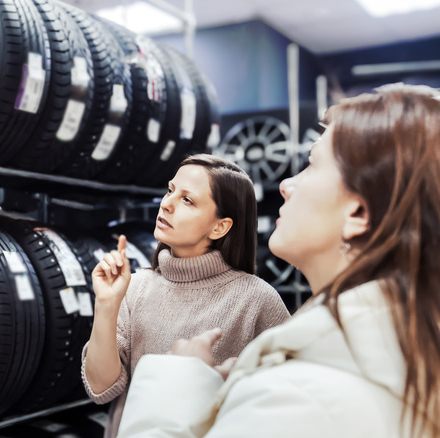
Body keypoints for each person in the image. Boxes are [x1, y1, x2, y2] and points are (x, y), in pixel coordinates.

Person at [118, 84, 440, 438]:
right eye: (170, 192)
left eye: (312, 165)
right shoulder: (401, 353)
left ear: (358, 212)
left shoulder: (302, 395)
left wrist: (181, 383)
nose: (286, 184)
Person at [82, 154, 290, 437]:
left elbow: (284, 406)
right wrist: (106, 304)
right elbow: (101, 389)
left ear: (220, 227)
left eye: (187, 200)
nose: (166, 204)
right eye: (170, 190)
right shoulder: (134, 286)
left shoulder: (258, 300)